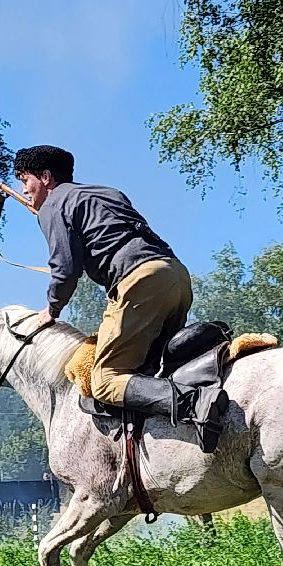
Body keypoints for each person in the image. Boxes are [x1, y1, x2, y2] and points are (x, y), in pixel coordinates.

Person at [15, 144, 225, 429]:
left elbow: (64, 270)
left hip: (139, 282)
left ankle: (195, 403)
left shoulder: (52, 206)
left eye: (25, 180)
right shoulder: (106, 192)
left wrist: (52, 309)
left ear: (46, 177)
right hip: (174, 274)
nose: (25, 190)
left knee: (105, 380)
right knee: (155, 367)